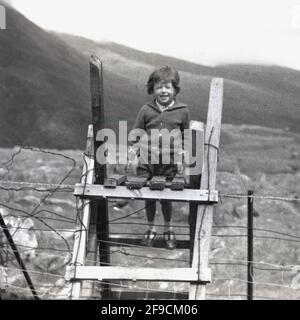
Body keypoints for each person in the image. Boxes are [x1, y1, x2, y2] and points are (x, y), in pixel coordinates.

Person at [128, 66, 190, 249]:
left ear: (175, 90)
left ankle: (168, 228)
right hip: (148, 161)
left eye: (168, 87)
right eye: (159, 87)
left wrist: (183, 156)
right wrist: (134, 151)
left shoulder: (183, 110)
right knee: (149, 195)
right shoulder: (146, 110)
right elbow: (136, 133)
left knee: (165, 196)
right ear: (152, 89)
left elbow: (186, 135)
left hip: (169, 163)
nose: (163, 91)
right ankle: (150, 228)